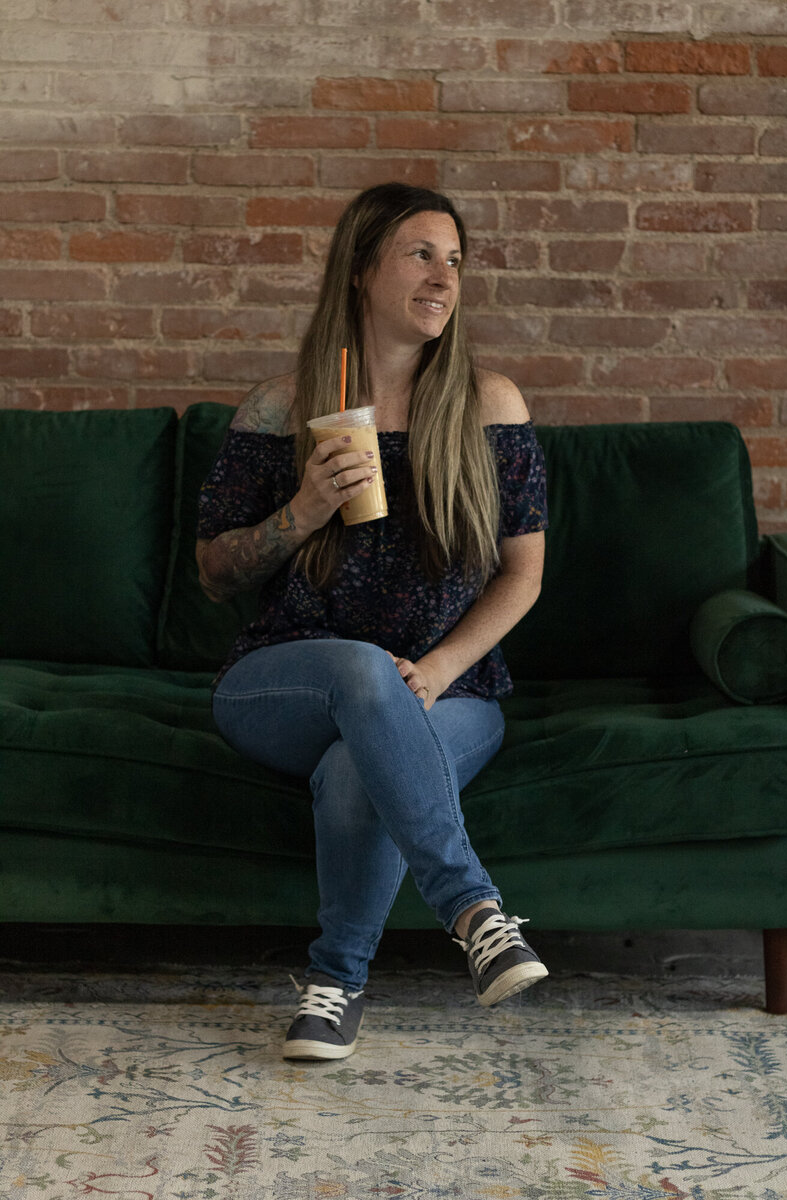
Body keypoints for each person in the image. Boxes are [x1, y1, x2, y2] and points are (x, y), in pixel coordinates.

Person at [195, 182, 549, 1061]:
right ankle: (475, 909)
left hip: (451, 691)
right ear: (362, 270)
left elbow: (524, 576)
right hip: (285, 681)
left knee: (362, 765)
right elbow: (212, 573)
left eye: (455, 260)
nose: (443, 277)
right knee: (358, 668)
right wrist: (303, 510)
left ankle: (335, 983)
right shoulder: (280, 410)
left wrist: (434, 670)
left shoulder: (488, 404)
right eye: (420, 255)